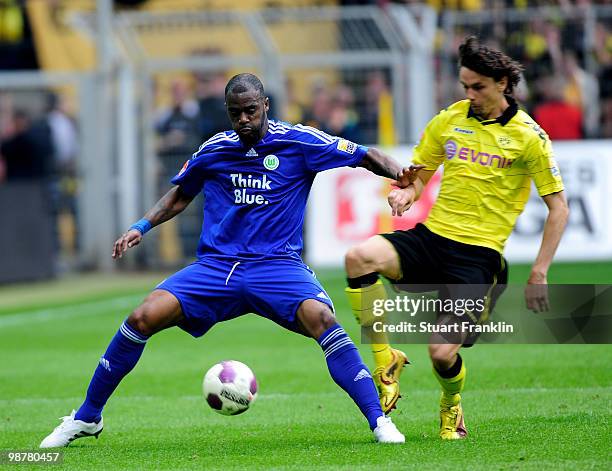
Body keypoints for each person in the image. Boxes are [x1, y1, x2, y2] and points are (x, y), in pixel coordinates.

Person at [39, 73, 417, 448]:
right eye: (235, 113)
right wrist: (142, 226)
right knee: (142, 317)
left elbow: (365, 155)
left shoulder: (299, 141)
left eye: (251, 111)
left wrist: (402, 176)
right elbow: (180, 194)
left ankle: (378, 421)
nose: (244, 121)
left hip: (276, 266)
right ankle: (87, 417)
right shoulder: (215, 148)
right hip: (217, 267)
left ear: (265, 106)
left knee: (323, 320)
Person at [344, 36, 569, 439]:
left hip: (478, 257)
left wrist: (539, 272)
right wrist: (405, 194)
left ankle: (451, 406)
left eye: (477, 87)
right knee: (359, 257)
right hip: (433, 238)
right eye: (465, 86)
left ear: (502, 82)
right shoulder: (450, 119)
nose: (470, 94)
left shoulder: (529, 137)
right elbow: (419, 176)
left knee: (441, 351)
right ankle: (385, 359)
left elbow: (559, 208)